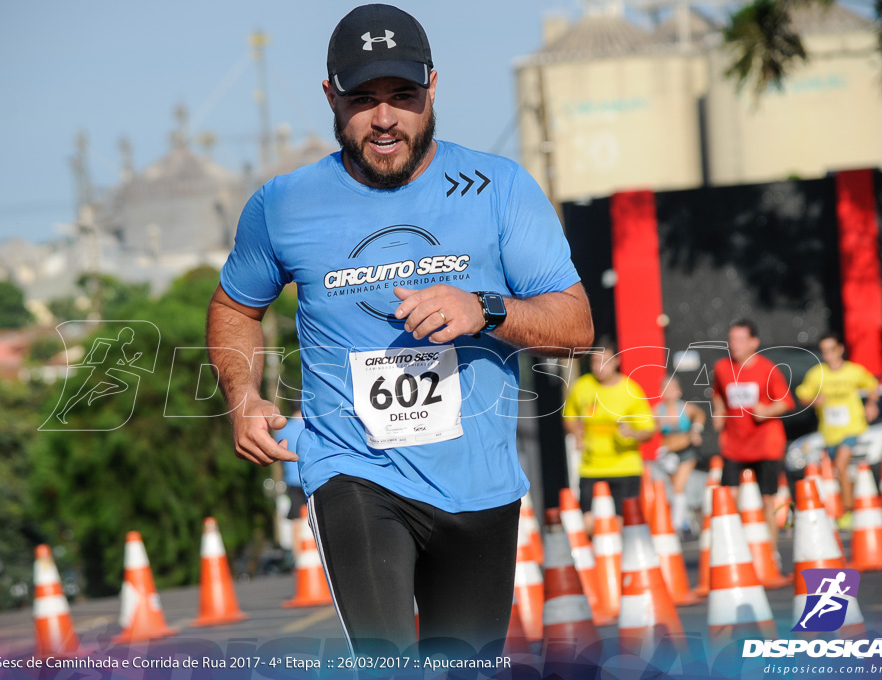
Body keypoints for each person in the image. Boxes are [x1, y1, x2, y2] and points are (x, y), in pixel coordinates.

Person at [205, 4, 593, 664]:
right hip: (353, 470)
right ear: (331, 97)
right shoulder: (283, 204)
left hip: (479, 485)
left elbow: (576, 329)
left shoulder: (499, 188)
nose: (385, 118)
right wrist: (240, 392)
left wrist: (487, 309)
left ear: (432, 89)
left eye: (403, 96)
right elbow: (234, 307)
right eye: (364, 99)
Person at [711, 319, 794, 545]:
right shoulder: (722, 368)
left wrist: (766, 411)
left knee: (768, 499)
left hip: (765, 444)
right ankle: (735, 550)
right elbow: (717, 393)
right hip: (734, 444)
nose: (733, 344)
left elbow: (786, 402)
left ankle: (772, 553)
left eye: (739, 339)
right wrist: (718, 412)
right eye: (731, 339)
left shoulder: (768, 369)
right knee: (729, 498)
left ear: (754, 342)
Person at [563, 336, 655, 527]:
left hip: (625, 467)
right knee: (588, 524)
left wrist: (633, 433)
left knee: (624, 525)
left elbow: (649, 431)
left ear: (616, 362)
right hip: (591, 467)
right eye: (595, 361)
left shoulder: (631, 390)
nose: (599, 367)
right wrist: (576, 432)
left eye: (604, 361)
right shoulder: (582, 387)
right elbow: (569, 417)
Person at [795, 334, 879, 528]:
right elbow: (803, 396)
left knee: (841, 465)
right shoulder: (817, 374)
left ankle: (848, 511)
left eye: (831, 349)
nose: (828, 355)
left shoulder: (853, 371)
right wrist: (814, 401)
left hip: (852, 428)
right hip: (830, 432)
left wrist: (872, 404)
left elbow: (873, 386)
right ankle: (856, 503)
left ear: (840, 349)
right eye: (824, 351)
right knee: (840, 471)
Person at [653, 377, 706, 534]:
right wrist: (655, 426)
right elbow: (646, 426)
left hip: (686, 451)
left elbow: (700, 415)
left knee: (678, 487)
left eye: (671, 388)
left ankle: (676, 525)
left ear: (678, 390)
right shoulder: (657, 410)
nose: (668, 391)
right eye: (665, 388)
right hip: (668, 454)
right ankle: (688, 517)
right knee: (675, 488)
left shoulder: (685, 408)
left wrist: (696, 430)